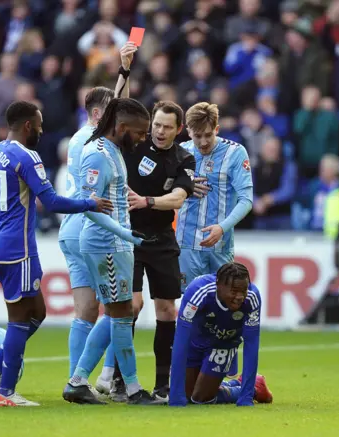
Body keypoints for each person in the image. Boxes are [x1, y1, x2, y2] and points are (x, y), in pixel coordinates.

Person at [0, 101, 113, 407]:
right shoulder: (26, 157)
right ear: (26, 126)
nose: (41, 129)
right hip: (18, 248)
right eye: (38, 124)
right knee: (21, 318)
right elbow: (50, 201)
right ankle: (6, 392)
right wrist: (91, 203)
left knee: (37, 312)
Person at [62, 98, 161, 406]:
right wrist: (126, 233)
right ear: (121, 127)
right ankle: (127, 389)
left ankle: (85, 382)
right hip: (105, 243)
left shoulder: (115, 151)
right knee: (120, 313)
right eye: (141, 132)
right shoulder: (98, 155)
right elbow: (89, 206)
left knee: (121, 312)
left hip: (115, 242)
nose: (144, 138)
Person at [97, 101, 195, 402]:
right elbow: (118, 109)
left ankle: (162, 384)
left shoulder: (184, 158)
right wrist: (124, 70)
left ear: (178, 130)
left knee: (167, 311)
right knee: (132, 306)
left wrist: (148, 201)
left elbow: (179, 197)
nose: (160, 131)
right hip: (127, 236)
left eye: (167, 127)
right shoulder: (133, 146)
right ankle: (117, 379)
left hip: (162, 239)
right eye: (157, 125)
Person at [60, 42, 137, 382]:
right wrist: (124, 68)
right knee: (119, 306)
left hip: (70, 230)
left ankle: (78, 379)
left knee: (86, 311)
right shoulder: (95, 142)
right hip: (95, 227)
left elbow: (125, 107)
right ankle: (102, 375)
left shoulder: (78, 138)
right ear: (96, 114)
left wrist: (125, 71)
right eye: (111, 112)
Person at [175, 102, 254, 377]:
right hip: (186, 244)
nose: (204, 141)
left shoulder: (235, 153)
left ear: (216, 129)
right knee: (191, 309)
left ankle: (224, 372)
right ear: (188, 133)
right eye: (198, 136)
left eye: (208, 135)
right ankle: (188, 373)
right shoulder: (180, 153)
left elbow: (246, 199)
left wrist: (222, 227)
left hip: (220, 245)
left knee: (226, 308)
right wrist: (181, 187)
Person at [169, 262, 273, 407]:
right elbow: (180, 338)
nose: (239, 296)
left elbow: (251, 344)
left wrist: (246, 397)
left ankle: (255, 388)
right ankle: (236, 383)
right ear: (219, 285)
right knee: (187, 395)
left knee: (200, 398)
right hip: (195, 341)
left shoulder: (252, 297)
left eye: (243, 291)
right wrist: (175, 396)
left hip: (224, 343)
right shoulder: (199, 290)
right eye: (234, 291)